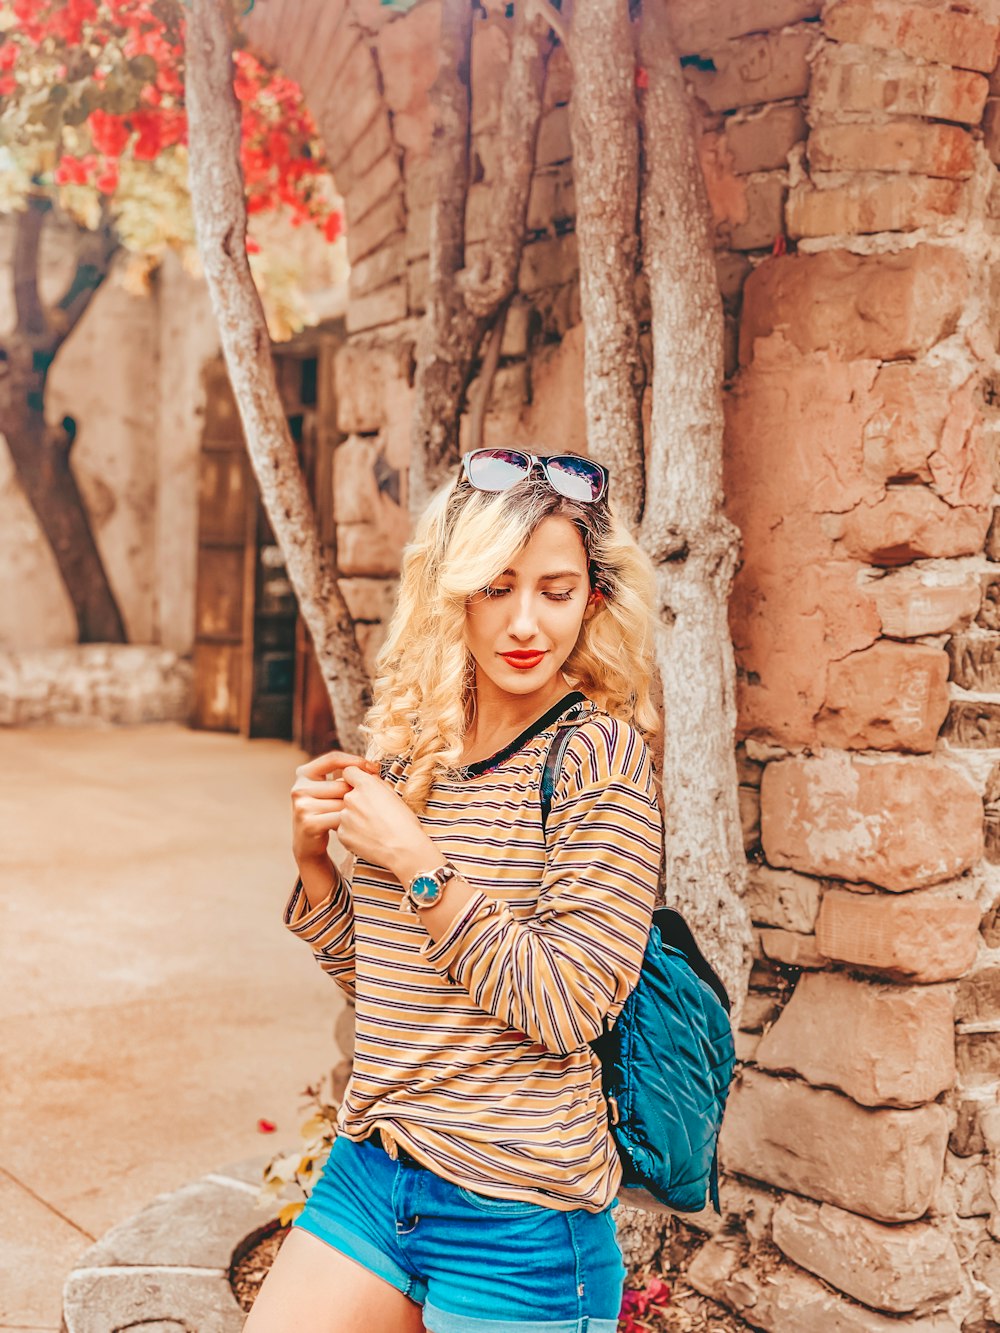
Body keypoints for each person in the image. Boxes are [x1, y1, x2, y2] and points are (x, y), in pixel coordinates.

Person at [245, 448, 664, 1333]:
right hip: (375, 1173)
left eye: (554, 591)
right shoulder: (413, 752)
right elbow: (398, 993)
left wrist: (418, 861)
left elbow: (567, 1003)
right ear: (454, 590)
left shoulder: (598, 760)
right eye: (495, 586)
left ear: (593, 599)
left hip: (518, 1212)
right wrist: (317, 866)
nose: (524, 623)